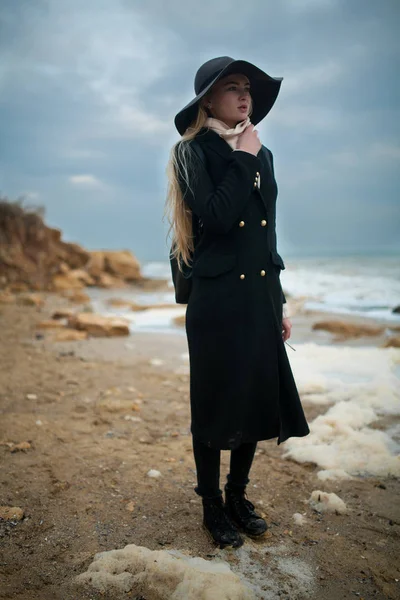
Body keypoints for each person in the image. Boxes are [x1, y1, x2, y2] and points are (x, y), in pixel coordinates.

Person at [164, 56, 310, 549]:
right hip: (217, 296)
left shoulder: (260, 152)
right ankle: (210, 506)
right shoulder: (192, 152)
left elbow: (265, 233)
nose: (244, 96)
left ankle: (236, 496)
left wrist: (280, 301)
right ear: (208, 100)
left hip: (259, 294)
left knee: (253, 396)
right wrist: (246, 156)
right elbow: (218, 217)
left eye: (247, 87)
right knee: (213, 403)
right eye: (232, 87)